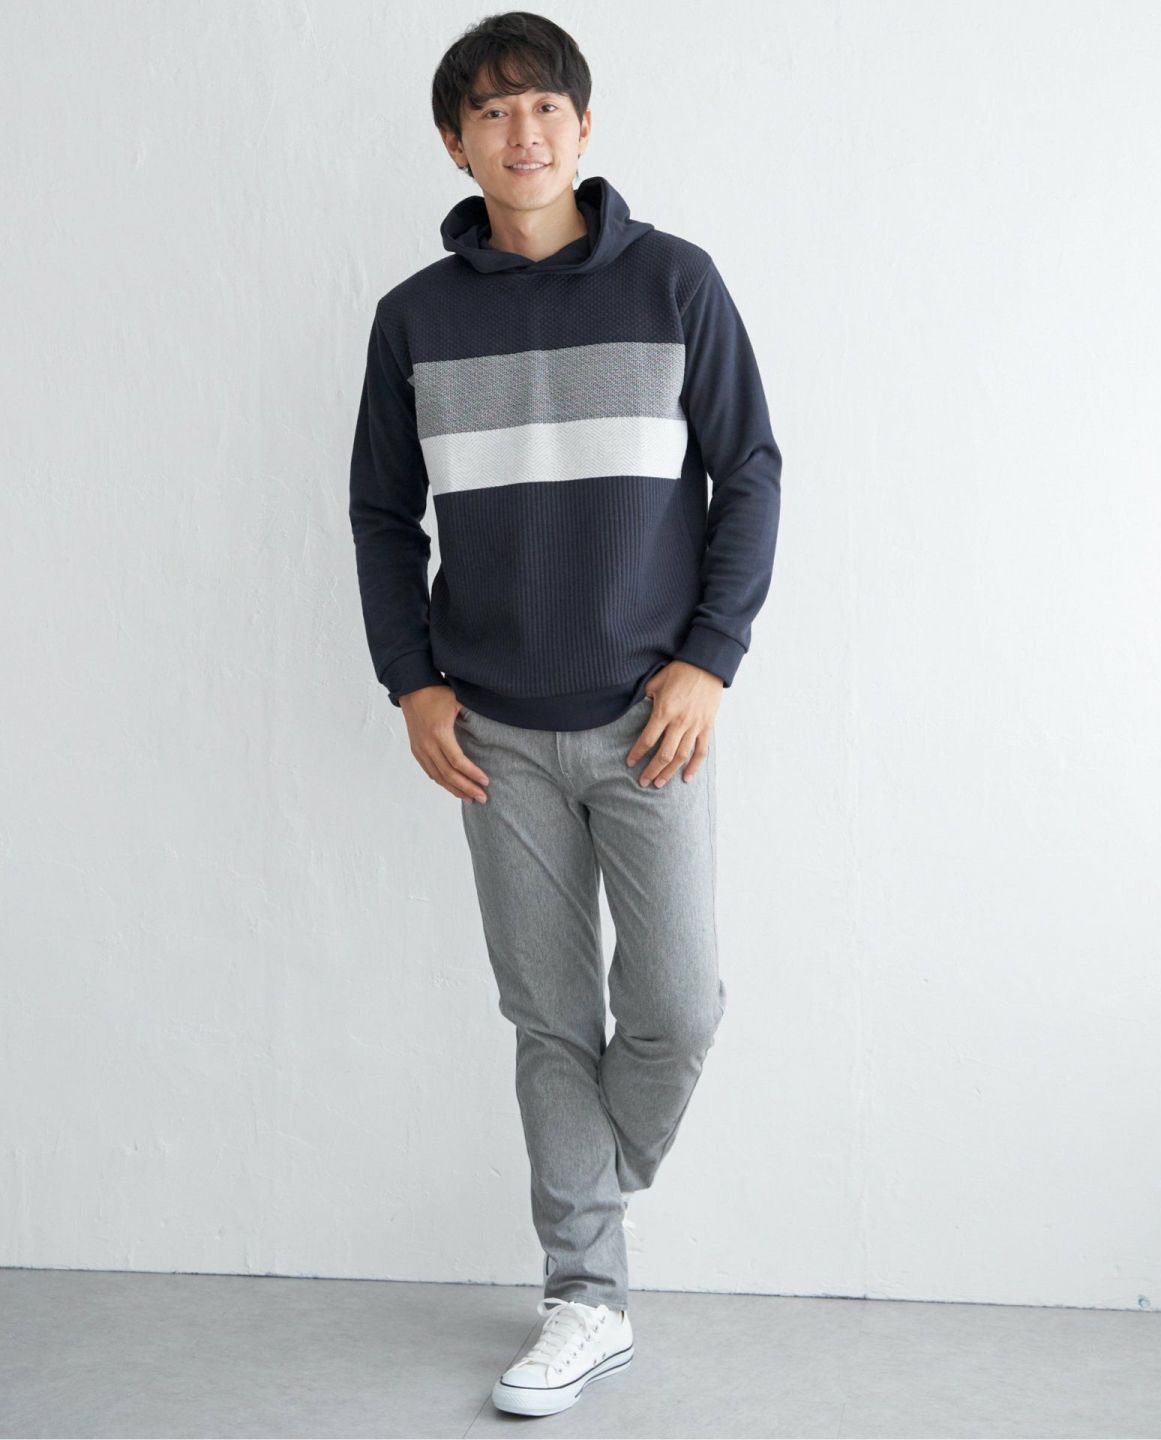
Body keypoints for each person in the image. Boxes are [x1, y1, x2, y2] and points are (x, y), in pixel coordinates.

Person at [348, 10, 782, 1418]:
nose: (521, 133)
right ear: (455, 144)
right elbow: (380, 513)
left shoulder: (676, 282)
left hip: (653, 721)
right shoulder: (415, 319)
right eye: (490, 113)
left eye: (543, 107)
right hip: (492, 735)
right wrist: (412, 681)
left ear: (584, 128)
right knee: (548, 1017)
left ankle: (591, 1190)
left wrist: (711, 658)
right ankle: (585, 1294)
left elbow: (751, 472)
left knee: (677, 1007)